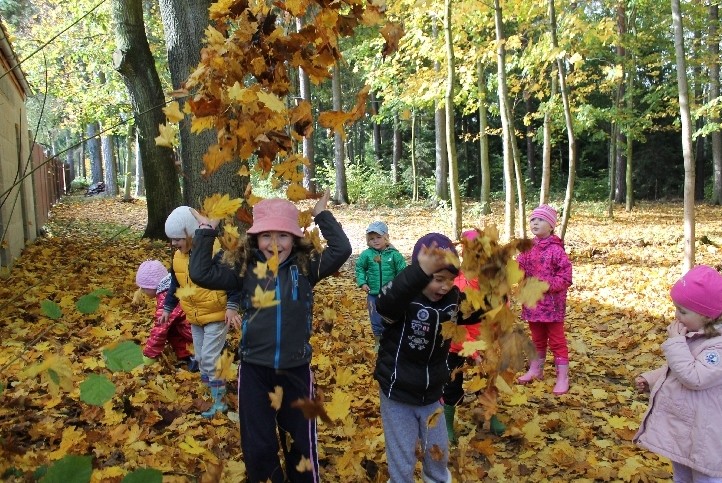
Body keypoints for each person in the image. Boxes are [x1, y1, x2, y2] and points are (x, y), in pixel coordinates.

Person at [188, 190, 351, 483]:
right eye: (266, 236)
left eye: (283, 236)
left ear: (295, 239)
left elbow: (341, 250)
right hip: (255, 371)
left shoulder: (305, 268)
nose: (274, 244)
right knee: (259, 444)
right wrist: (206, 231)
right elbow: (201, 273)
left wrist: (321, 215)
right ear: (255, 239)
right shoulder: (244, 269)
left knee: (300, 442)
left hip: (295, 370)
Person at [375, 232, 483, 483]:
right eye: (437, 279)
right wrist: (418, 273)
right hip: (397, 393)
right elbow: (385, 303)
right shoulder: (403, 300)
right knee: (402, 456)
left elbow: (480, 309)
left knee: (438, 453)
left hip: (432, 394)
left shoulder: (453, 300)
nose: (444, 286)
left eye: (450, 279)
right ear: (420, 274)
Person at [633, 265, 722, 482]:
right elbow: (676, 369)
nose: (676, 316)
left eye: (683, 311)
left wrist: (675, 343)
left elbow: (695, 377)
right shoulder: (695, 336)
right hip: (685, 431)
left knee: (705, 477)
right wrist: (652, 379)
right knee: (682, 475)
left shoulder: (717, 347)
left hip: (706, 435)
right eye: (676, 309)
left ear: (707, 315)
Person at [162, 206, 241, 418]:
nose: (174, 244)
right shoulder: (178, 258)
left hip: (216, 314)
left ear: (192, 234)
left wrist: (232, 307)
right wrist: (168, 307)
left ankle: (220, 401)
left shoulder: (215, 253)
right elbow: (174, 284)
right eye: (172, 239)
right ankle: (211, 391)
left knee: (208, 357)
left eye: (177, 239)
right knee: (200, 356)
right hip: (195, 316)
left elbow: (233, 281)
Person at [442, 230, 505, 444]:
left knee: (488, 380)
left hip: (484, 341)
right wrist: (473, 350)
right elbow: (458, 323)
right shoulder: (459, 283)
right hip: (457, 344)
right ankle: (448, 425)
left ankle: (491, 416)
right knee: (451, 384)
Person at [516, 204, 573, 395]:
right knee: (537, 339)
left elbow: (565, 277)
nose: (535, 223)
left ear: (551, 225)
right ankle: (535, 369)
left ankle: (562, 377)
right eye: (532, 220)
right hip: (533, 304)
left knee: (557, 340)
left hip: (552, 306)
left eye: (540, 220)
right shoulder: (528, 249)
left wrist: (547, 284)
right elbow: (519, 269)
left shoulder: (557, 250)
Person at [134, 259, 195, 370]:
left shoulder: (166, 298)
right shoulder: (174, 285)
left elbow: (160, 330)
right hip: (196, 324)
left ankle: (193, 356)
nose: (142, 292)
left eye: (144, 288)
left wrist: (148, 356)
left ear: (152, 286)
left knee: (169, 329)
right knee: (175, 325)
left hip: (194, 331)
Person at [355, 220, 407, 348]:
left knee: (391, 317)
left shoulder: (394, 255)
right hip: (373, 294)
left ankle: (392, 339)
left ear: (386, 238)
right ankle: (378, 340)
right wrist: (362, 282)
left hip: (390, 295)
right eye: (372, 238)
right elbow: (360, 268)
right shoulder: (367, 254)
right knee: (375, 319)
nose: (375, 241)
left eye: (379, 237)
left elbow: (402, 271)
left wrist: (399, 288)